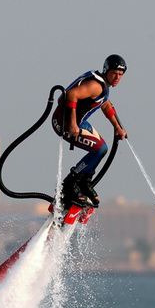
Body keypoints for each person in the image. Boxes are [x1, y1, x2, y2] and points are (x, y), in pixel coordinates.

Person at [51, 54, 128, 209]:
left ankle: (84, 182)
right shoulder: (96, 86)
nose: (117, 77)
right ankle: (70, 184)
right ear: (106, 70)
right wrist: (73, 124)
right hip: (63, 124)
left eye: (120, 75)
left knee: (101, 148)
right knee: (99, 149)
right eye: (114, 73)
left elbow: (105, 104)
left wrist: (117, 127)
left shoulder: (104, 87)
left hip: (80, 123)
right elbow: (72, 95)